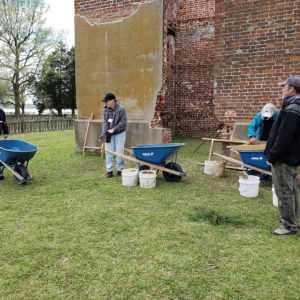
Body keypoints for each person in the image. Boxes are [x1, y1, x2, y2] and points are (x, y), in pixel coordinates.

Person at [264, 76, 300, 235]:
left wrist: (273, 156)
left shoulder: (292, 108)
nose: (282, 89)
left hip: (284, 158)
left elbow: (284, 136)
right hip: (291, 157)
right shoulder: (296, 106)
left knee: (284, 191)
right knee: (292, 191)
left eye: (284, 87)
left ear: (291, 89)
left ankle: (289, 226)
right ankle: (294, 221)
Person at [101, 93, 127, 178]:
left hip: (119, 133)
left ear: (112, 101)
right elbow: (105, 123)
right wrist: (105, 134)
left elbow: (123, 123)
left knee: (119, 152)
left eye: (106, 101)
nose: (105, 103)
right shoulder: (105, 110)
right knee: (108, 152)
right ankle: (109, 171)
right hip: (109, 135)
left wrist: (113, 130)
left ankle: (120, 170)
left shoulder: (121, 109)